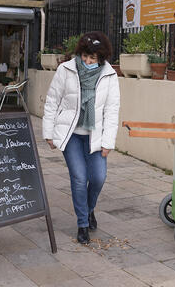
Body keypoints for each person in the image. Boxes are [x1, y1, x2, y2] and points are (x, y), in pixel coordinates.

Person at [42, 31, 120, 244]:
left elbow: (112, 111)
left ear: (101, 58)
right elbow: (52, 101)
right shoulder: (65, 70)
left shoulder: (110, 75)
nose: (87, 61)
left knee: (98, 178)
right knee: (79, 178)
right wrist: (49, 132)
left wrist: (108, 142)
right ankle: (82, 224)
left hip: (96, 136)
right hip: (72, 135)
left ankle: (89, 208)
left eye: (92, 58)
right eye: (85, 56)